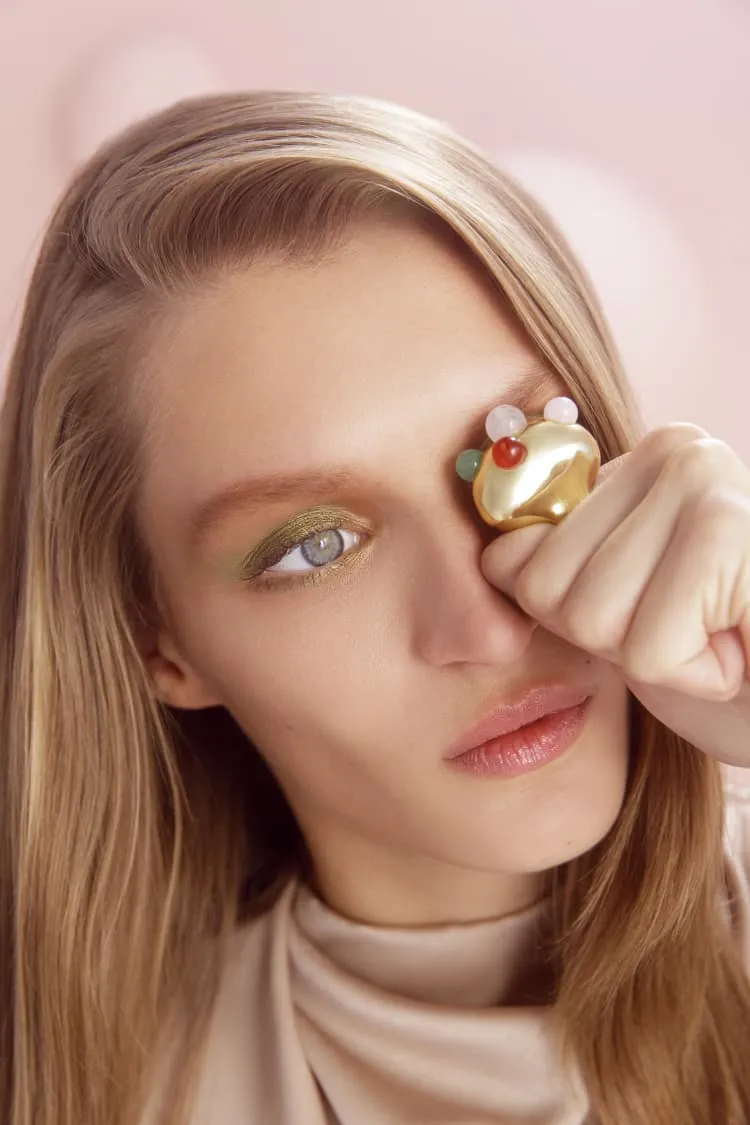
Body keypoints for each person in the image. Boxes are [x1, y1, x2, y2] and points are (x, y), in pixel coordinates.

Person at [0, 91, 749, 1125]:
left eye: (513, 451)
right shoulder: (100, 1093)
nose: (494, 625)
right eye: (316, 546)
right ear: (157, 642)